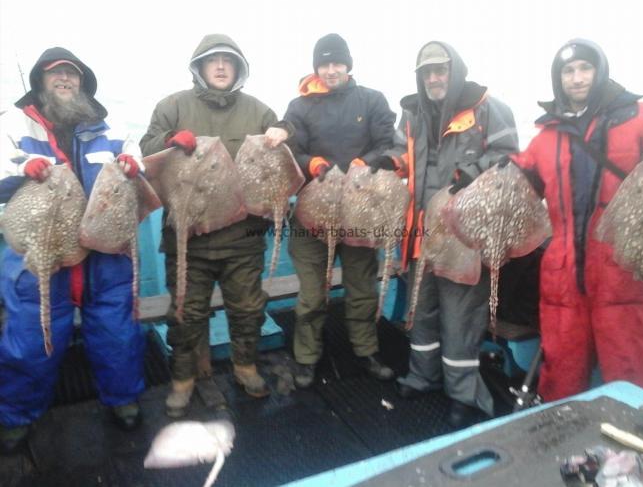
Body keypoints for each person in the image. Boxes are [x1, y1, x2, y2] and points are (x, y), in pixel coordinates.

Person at [509, 38, 643, 402]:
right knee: (561, 376)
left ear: (600, 70)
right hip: (563, 276)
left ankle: (634, 451)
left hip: (625, 273)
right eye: (568, 71)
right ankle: (561, 438)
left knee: (635, 375)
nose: (577, 78)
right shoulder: (546, 135)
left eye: (585, 68)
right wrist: (502, 175)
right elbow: (525, 179)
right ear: (559, 79)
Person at [0, 47, 146, 453]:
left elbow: (133, 153)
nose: (65, 79)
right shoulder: (13, 122)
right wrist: (18, 169)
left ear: (83, 82)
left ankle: (123, 399)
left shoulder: (107, 122)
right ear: (40, 81)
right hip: (39, 250)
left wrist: (134, 164)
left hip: (104, 254)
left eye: (72, 74)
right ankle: (15, 415)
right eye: (55, 74)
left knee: (117, 334)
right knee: (29, 340)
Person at [140, 33, 294, 417]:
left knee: (246, 308)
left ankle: (245, 365)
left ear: (239, 69)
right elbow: (147, 149)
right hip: (187, 237)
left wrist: (285, 130)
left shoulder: (258, 110)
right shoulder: (172, 105)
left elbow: (283, 152)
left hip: (243, 236)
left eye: (229, 60)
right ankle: (183, 378)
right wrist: (169, 139)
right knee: (185, 312)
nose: (221, 66)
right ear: (200, 68)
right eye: (213, 61)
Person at [374, 41, 519, 428]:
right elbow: (400, 153)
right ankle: (423, 377)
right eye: (427, 72)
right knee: (420, 314)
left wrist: (474, 173)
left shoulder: (488, 107)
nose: (434, 78)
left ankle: (463, 393)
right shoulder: (411, 113)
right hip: (419, 235)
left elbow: (510, 155)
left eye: (441, 70)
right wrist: (388, 161)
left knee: (460, 318)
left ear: (455, 71)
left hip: (462, 236)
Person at [283, 33, 397, 387]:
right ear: (316, 67)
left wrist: (369, 162)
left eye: (337, 63)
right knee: (312, 294)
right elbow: (290, 151)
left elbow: (388, 143)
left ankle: (366, 351)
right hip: (312, 213)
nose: (331, 70)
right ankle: (306, 357)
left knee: (361, 287)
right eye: (324, 63)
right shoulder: (299, 106)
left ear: (348, 65)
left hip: (360, 209)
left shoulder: (372, 100)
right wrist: (311, 163)